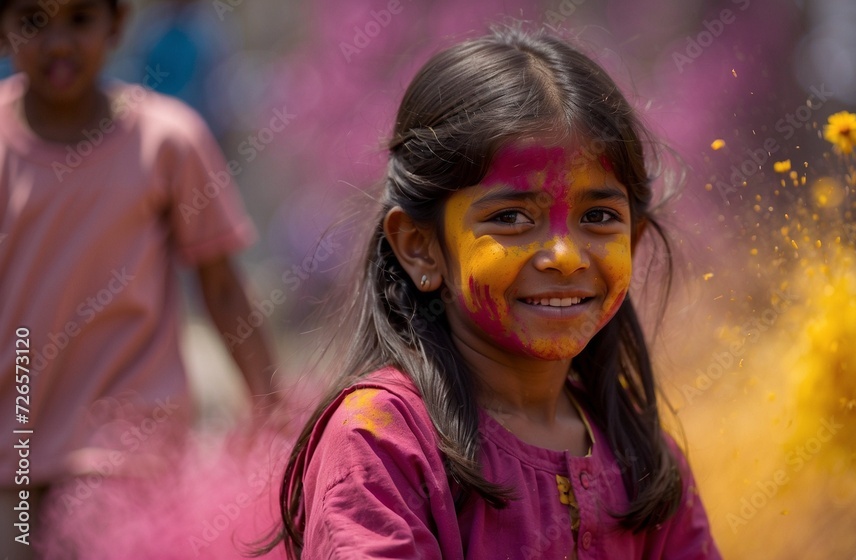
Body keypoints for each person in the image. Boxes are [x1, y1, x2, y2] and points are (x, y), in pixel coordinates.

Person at [269, 26, 721, 559]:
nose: (566, 255)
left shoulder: (643, 459)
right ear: (421, 248)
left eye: (598, 217)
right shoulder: (381, 440)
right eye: (511, 218)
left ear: (635, 239)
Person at [0, 0, 276, 557]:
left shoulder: (167, 140)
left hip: (126, 446)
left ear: (116, 25)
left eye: (79, 19)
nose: (58, 43)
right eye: (33, 20)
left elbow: (221, 287)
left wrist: (270, 409)